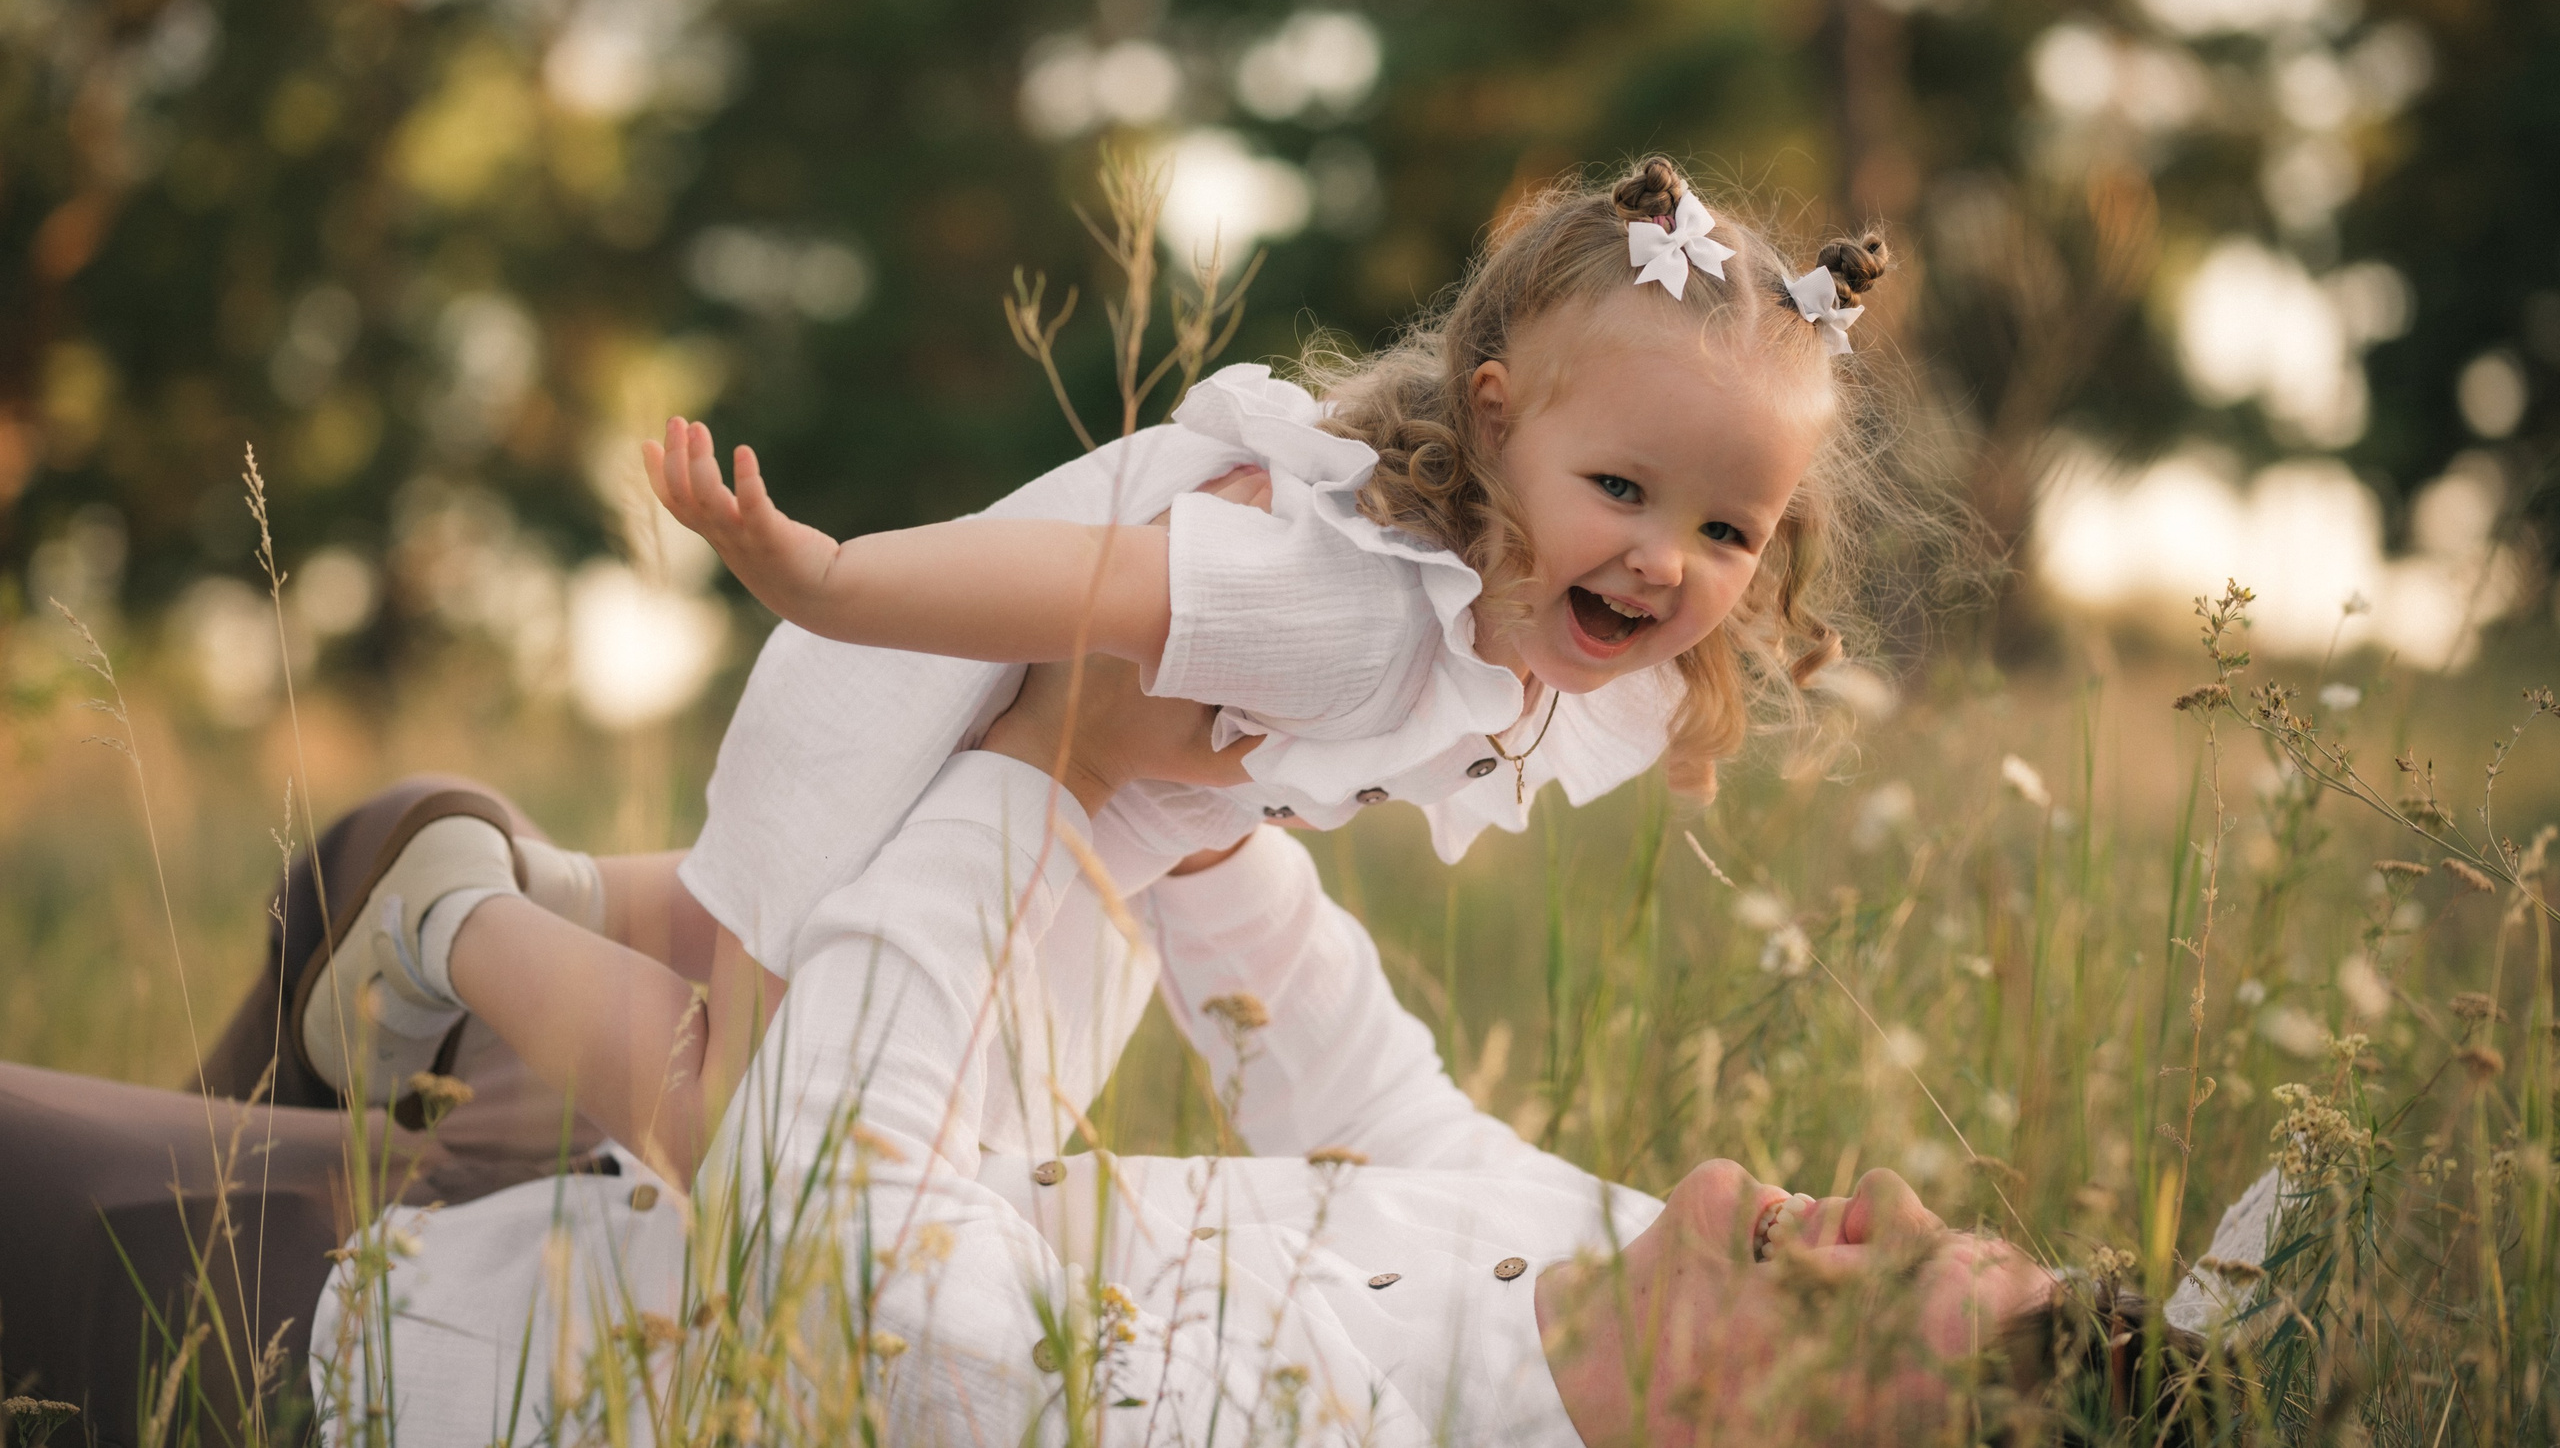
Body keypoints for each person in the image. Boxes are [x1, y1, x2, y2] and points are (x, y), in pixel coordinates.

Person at [290, 155, 1910, 1190]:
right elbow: (1079, 579)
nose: (1666, 562)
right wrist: (827, 573)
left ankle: (542, 883)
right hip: (940, 700)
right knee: (757, 1137)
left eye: (1728, 527)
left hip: (1075, 784)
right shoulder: (1342, 599)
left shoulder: (1575, 622)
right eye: (1622, 493)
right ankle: (452, 920)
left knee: (758, 930)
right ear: (1496, 419)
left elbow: (1645, 645)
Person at [299, 655, 2082, 1448]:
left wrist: (1052, 762)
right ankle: (471, 916)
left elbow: (822, 1232)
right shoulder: (1605, 1243)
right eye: (1971, 1227)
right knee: (1093, 919)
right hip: (598, 1180)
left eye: (1923, 1284)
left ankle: (457, 926)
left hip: (417, 1355)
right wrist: (1210, 792)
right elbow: (1370, 1097)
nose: (1900, 1192)